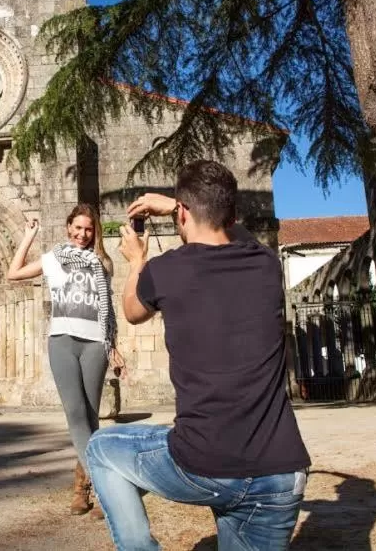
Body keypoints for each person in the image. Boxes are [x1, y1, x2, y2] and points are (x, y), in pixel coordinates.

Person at [86, 160, 311, 550]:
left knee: (101, 449)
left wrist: (137, 260)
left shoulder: (165, 270)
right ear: (231, 213)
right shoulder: (265, 264)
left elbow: (133, 312)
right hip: (281, 473)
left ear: (185, 213)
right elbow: (228, 226)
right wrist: (181, 205)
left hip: (204, 465)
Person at [7, 203, 127, 517]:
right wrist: (29, 235)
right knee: (75, 414)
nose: (82, 234)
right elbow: (13, 273)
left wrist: (114, 345)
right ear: (68, 227)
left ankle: (82, 488)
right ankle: (106, 488)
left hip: (95, 344)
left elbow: (107, 309)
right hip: (62, 341)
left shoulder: (102, 262)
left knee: (90, 418)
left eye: (88, 229)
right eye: (77, 227)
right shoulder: (54, 259)